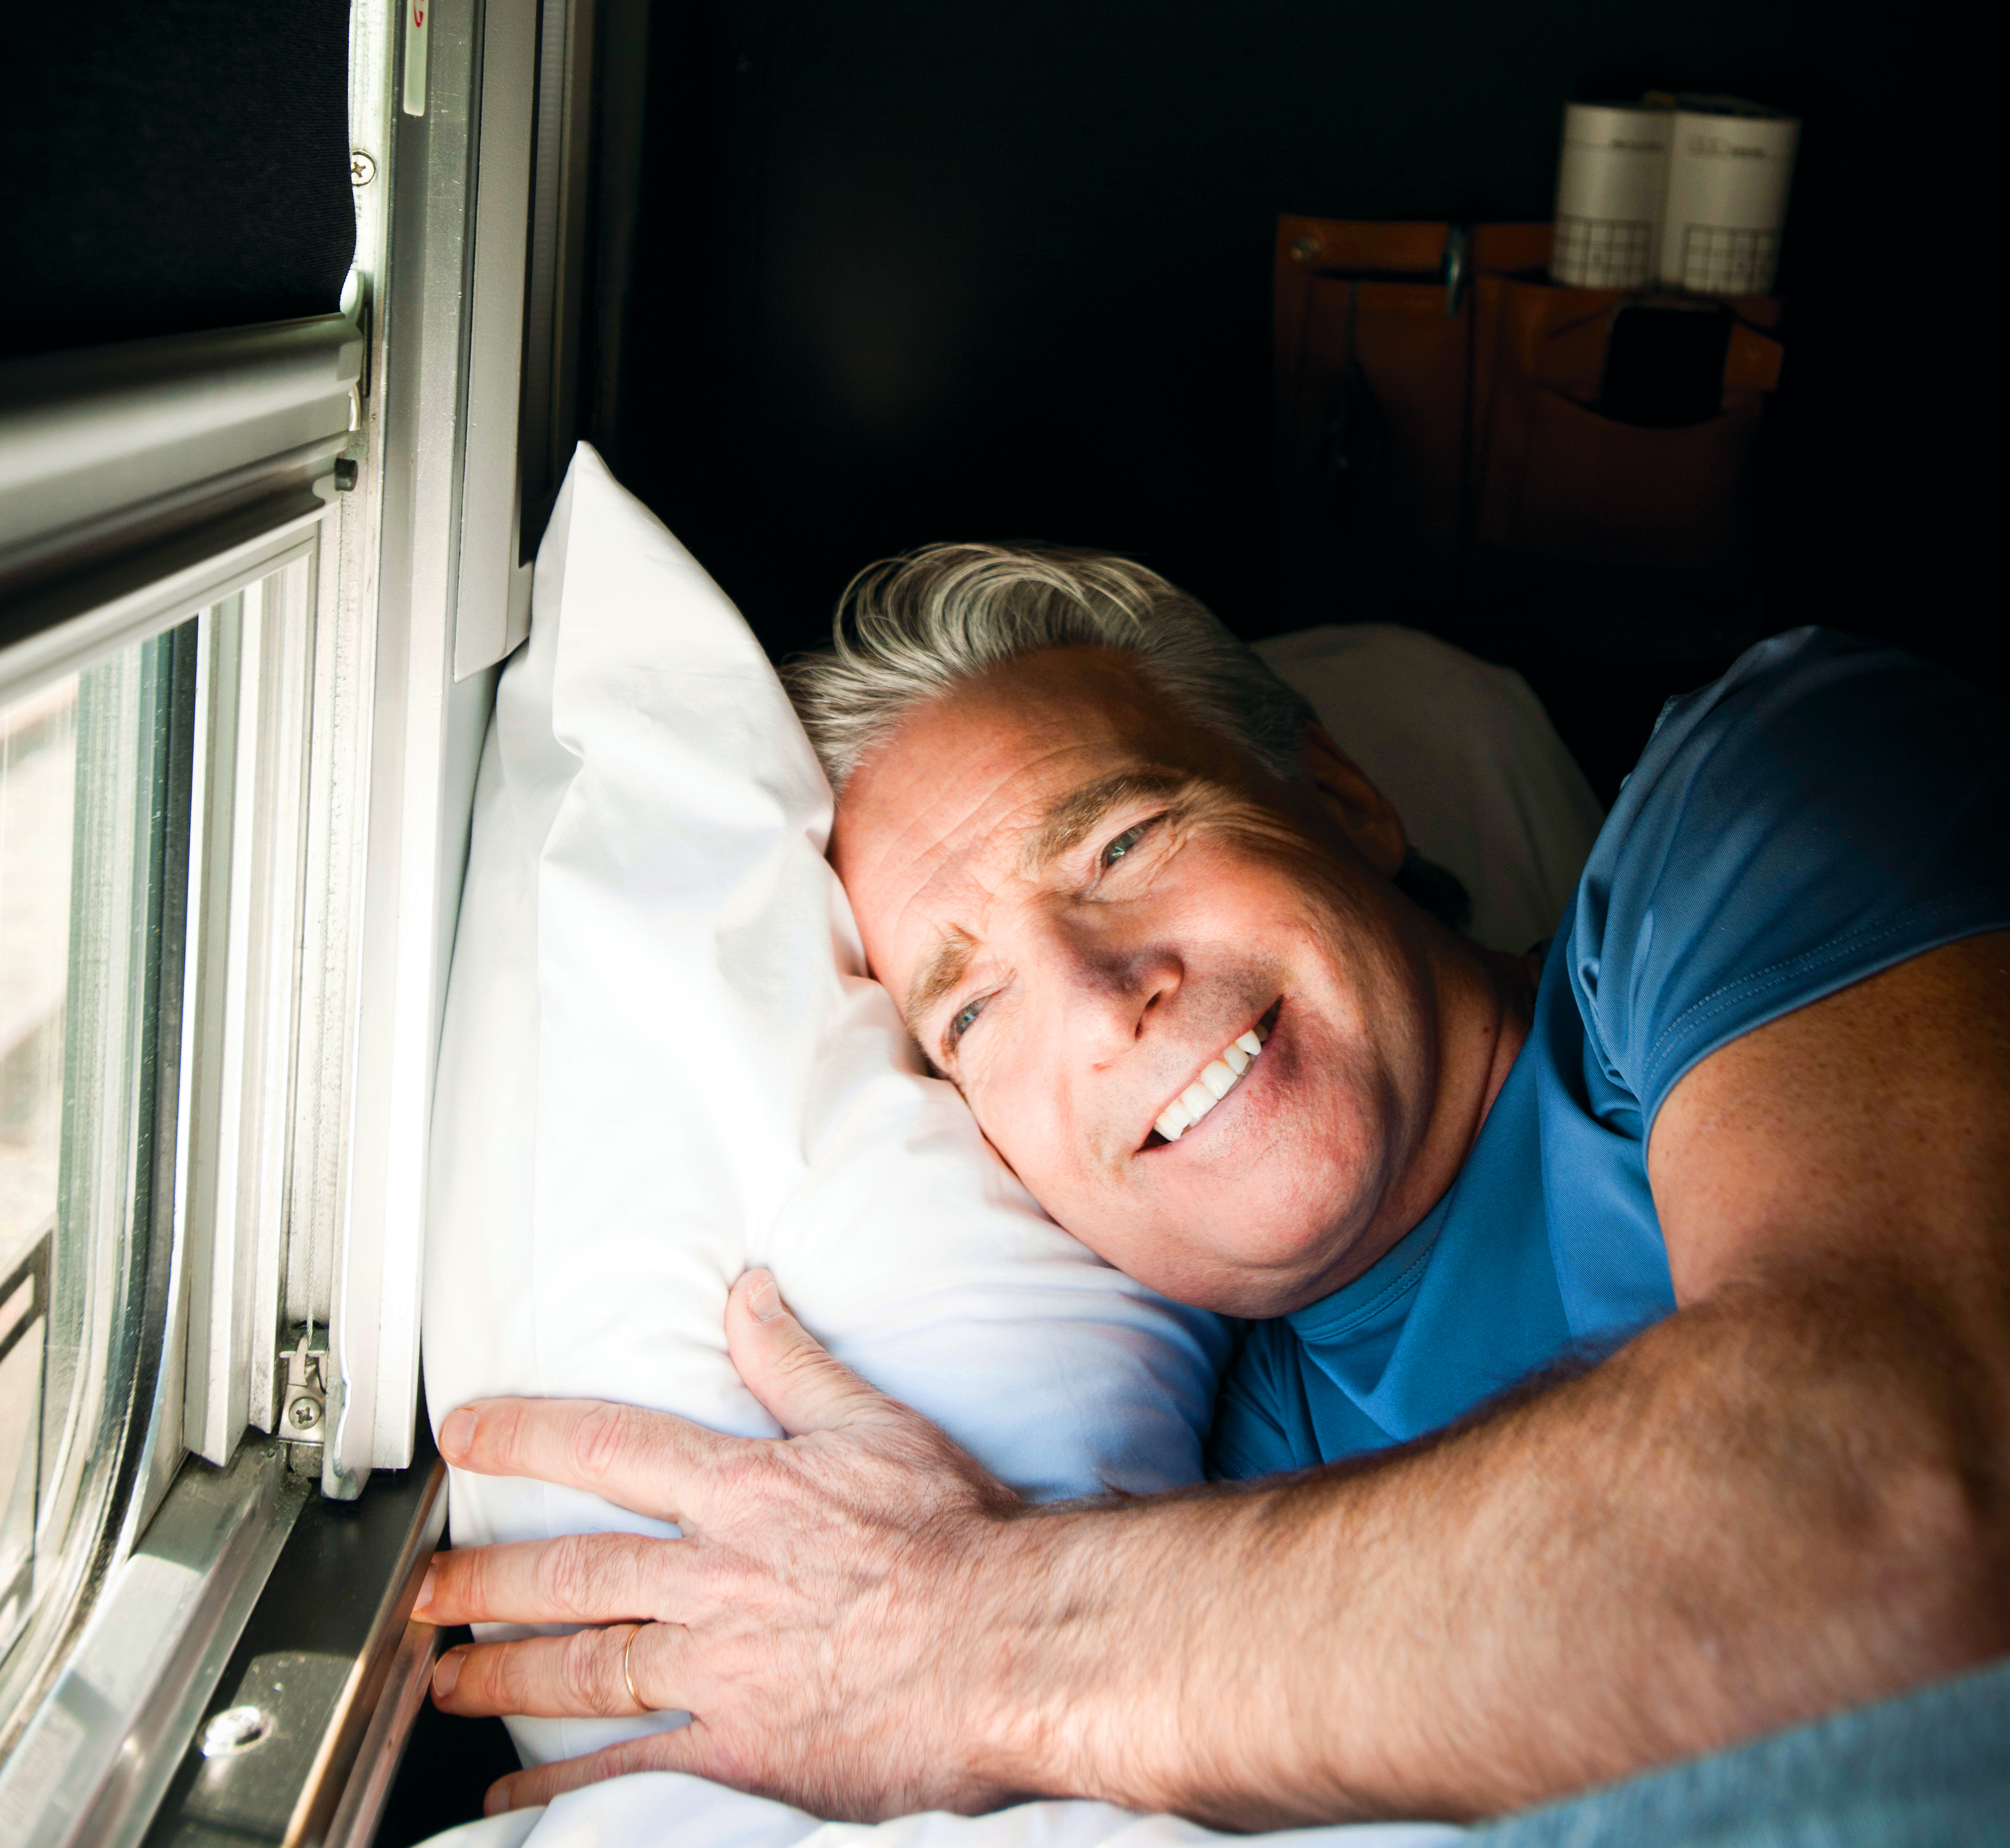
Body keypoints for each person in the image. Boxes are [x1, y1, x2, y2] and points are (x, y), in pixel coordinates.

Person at [412, 547, 2010, 1828]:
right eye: (973, 1013)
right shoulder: (1192, 1485)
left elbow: (1899, 1511)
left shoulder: (1759, 809)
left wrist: (956, 1636)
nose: (1106, 1005)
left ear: (1343, 799)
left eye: (1120, 844)